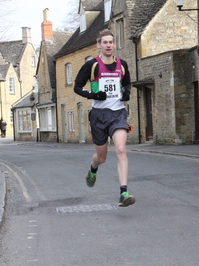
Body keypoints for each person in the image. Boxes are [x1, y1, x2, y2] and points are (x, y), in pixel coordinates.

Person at [74, 29, 135, 207]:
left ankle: (124, 192)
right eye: (105, 42)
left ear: (114, 45)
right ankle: (93, 168)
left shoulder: (122, 65)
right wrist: (93, 95)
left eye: (111, 42)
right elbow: (77, 87)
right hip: (99, 116)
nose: (108, 45)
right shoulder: (92, 65)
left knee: (121, 149)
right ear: (99, 45)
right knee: (101, 158)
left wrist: (127, 93)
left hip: (117, 113)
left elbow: (127, 83)